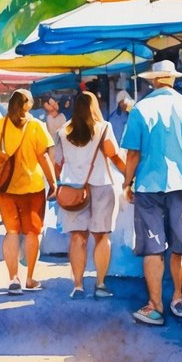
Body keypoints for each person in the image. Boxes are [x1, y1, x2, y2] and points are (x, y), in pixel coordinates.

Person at [121, 60, 182, 327]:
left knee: (153, 248)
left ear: (153, 81)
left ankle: (155, 306)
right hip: (181, 185)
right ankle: (178, 298)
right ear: (172, 79)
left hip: (148, 187)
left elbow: (133, 153)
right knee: (179, 247)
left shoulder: (140, 108)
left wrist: (127, 182)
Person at [0, 89, 57, 294]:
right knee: (33, 233)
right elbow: (43, 157)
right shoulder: (36, 126)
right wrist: (53, 182)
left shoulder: (0, 125)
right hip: (33, 188)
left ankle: (13, 279)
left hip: (6, 188)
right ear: (29, 105)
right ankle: (30, 279)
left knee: (12, 232)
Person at [55, 91, 126, 300]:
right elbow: (114, 156)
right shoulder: (104, 128)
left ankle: (78, 285)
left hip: (73, 189)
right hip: (102, 185)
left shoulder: (62, 131)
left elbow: (57, 163)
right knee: (101, 236)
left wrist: (60, 183)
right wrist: (129, 175)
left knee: (77, 237)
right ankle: (100, 284)